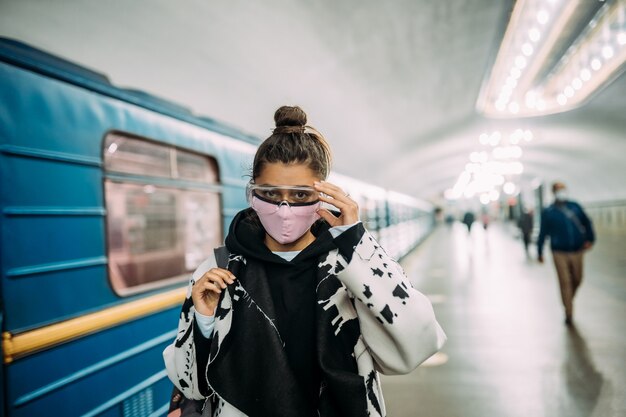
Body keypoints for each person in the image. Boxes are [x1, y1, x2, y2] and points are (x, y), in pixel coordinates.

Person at [163, 106, 446, 417]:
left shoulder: (351, 265)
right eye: (270, 193)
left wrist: (356, 241)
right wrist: (203, 322)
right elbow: (191, 386)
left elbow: (419, 343)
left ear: (323, 195)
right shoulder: (220, 268)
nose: (284, 209)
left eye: (300, 195)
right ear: (253, 194)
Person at [537, 182, 595, 325]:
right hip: (559, 252)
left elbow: (587, 222)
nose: (562, 192)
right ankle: (568, 312)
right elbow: (543, 233)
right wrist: (540, 251)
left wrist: (590, 239)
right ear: (554, 192)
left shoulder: (575, 206)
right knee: (565, 282)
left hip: (577, 250)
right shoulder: (549, 211)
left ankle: (568, 298)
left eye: (563, 189)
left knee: (578, 278)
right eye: (559, 190)